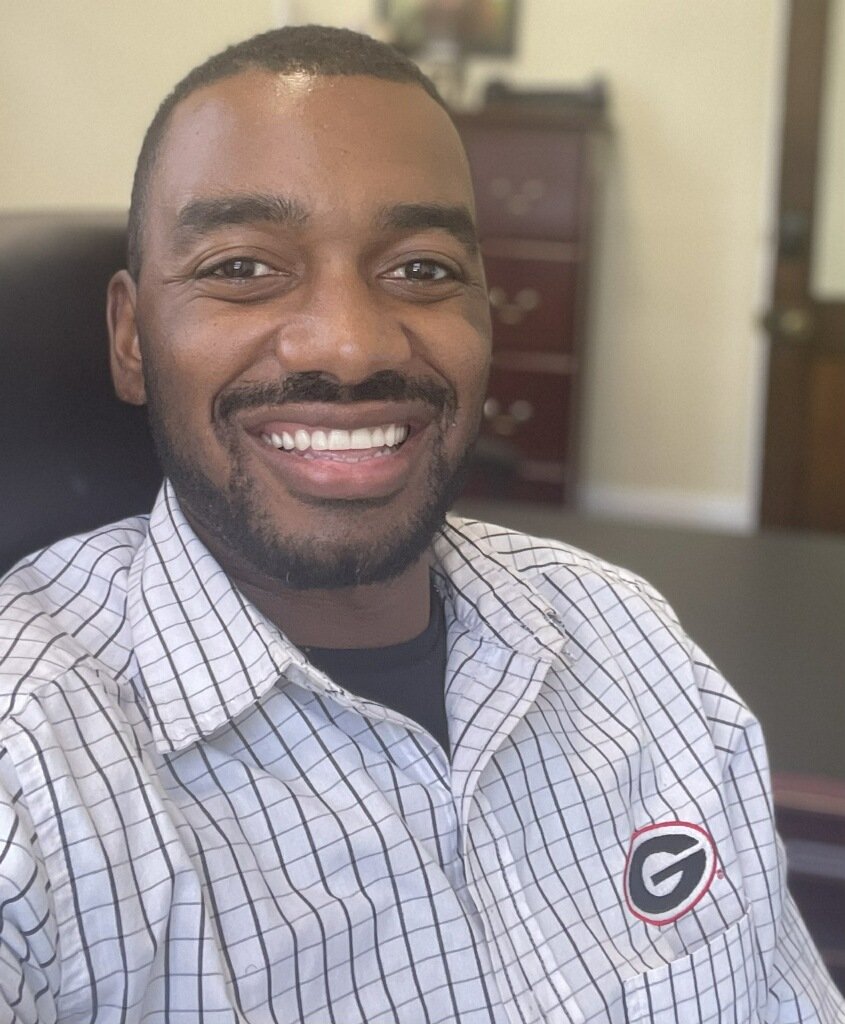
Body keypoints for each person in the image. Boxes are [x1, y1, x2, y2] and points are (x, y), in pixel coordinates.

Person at [0, 24, 841, 1024]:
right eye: (240, 267)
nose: (351, 346)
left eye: (420, 270)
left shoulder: (629, 643)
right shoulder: (32, 764)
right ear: (132, 338)